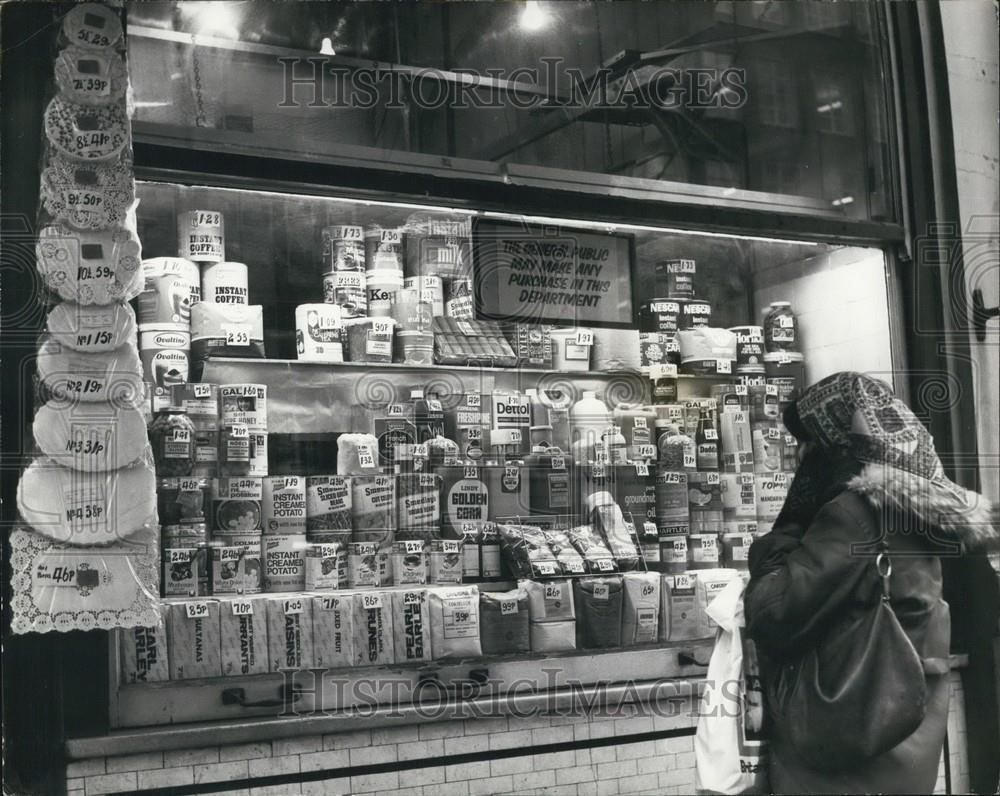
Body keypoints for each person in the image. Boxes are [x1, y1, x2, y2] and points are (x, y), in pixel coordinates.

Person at [745, 372, 997, 795]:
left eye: (805, 445)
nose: (800, 457)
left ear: (832, 445)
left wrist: (788, 525)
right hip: (905, 731)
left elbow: (773, 611)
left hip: (849, 740)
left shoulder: (857, 513)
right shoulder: (920, 508)